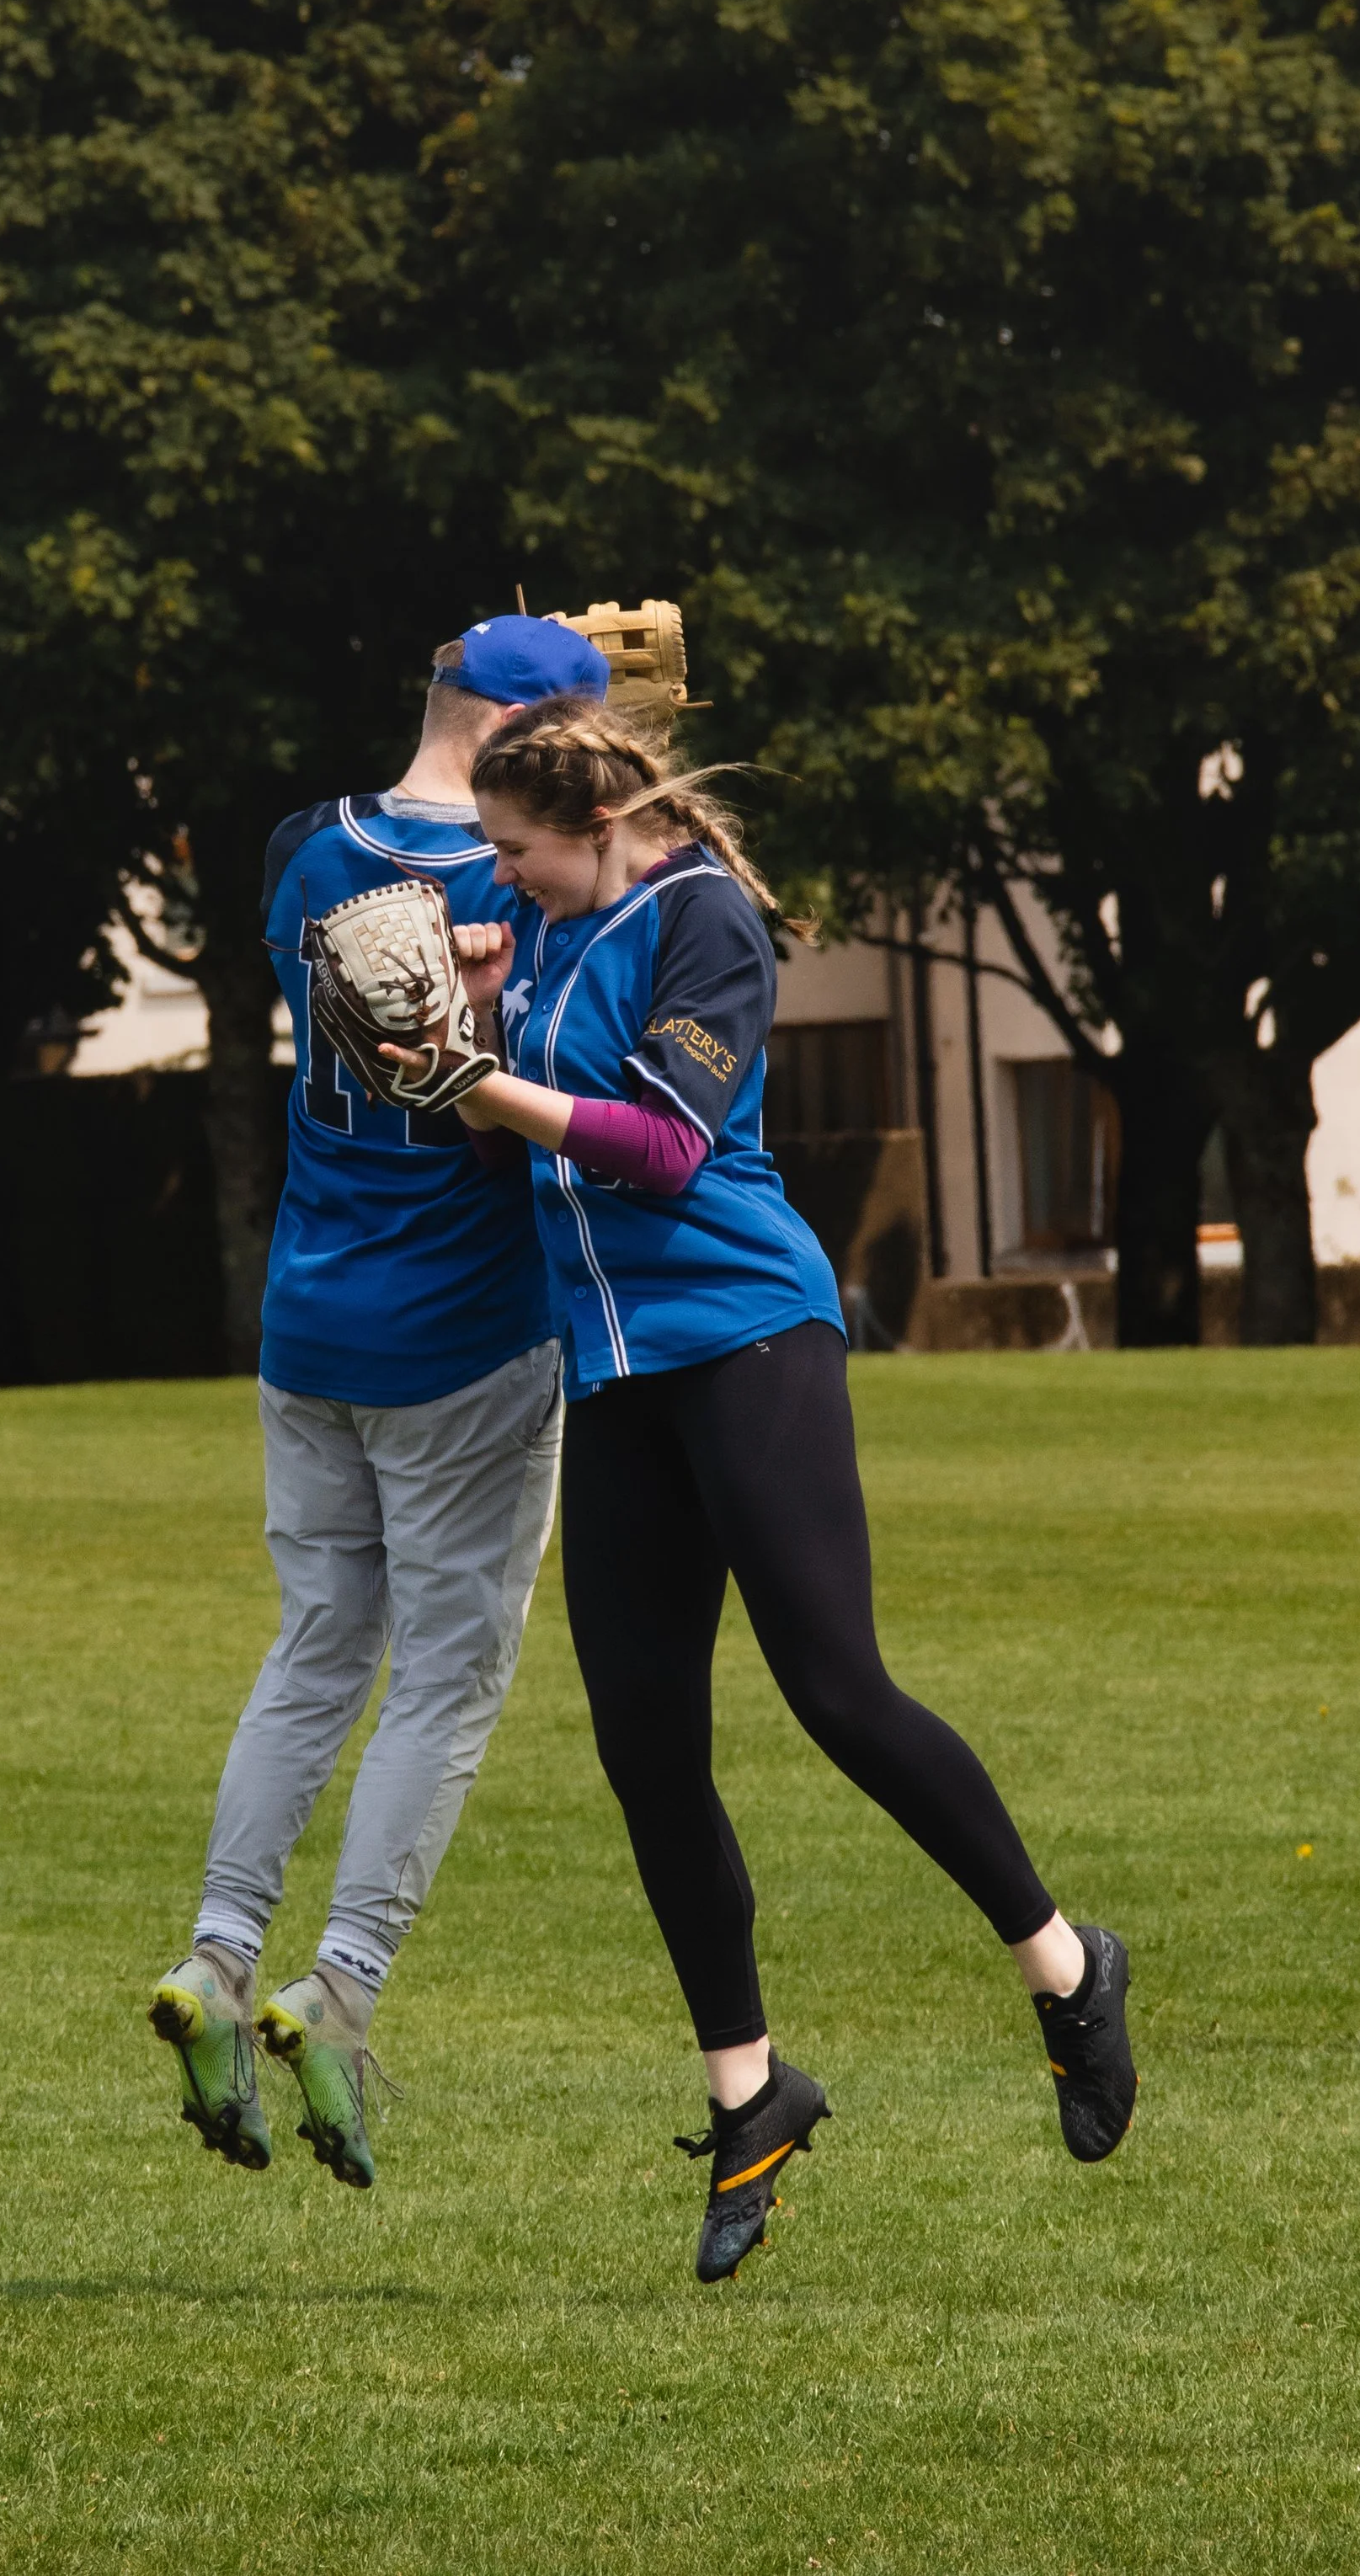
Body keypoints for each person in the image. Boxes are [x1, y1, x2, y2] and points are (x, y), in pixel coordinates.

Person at [433, 699, 1137, 2281]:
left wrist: (491, 1084)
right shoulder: (539, 938)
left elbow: (667, 1151)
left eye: (516, 851)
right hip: (612, 1375)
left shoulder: (707, 922)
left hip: (748, 1335)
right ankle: (749, 2094)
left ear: (596, 825)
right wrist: (466, 1050)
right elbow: (523, 1164)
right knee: (644, 1750)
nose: (501, 878)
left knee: (836, 1692)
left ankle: (1064, 1962)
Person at [148, 614, 613, 2190]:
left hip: (306, 1319)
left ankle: (215, 1957)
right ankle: (337, 1990)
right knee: (450, 1673)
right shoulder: (520, 879)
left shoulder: (301, 852)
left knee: (314, 1647)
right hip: (460, 1337)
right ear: (526, 739)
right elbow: (505, 1116)